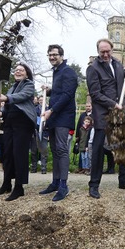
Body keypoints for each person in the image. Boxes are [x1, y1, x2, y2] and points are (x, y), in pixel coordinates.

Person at [85, 38, 125, 199]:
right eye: (102, 51)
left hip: (120, 112)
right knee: (99, 149)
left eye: (108, 51)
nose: (105, 54)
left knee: (124, 146)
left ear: (112, 49)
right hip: (103, 114)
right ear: (98, 51)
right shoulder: (93, 69)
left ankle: (124, 181)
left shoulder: (117, 64)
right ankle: (94, 185)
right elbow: (95, 94)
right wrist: (112, 104)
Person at [39, 45, 78, 202]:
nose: (52, 57)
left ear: (62, 55)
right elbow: (59, 92)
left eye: (54, 54)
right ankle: (55, 182)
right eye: (49, 55)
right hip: (54, 117)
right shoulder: (57, 72)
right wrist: (49, 91)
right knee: (54, 151)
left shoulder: (68, 71)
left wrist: (51, 110)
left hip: (63, 117)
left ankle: (63, 186)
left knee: (62, 150)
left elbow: (68, 94)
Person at [0, 63, 37, 201]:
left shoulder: (29, 85)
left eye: (21, 70)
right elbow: (7, 104)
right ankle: (6, 184)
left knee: (19, 154)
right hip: (9, 122)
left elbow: (22, 96)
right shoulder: (12, 87)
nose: (18, 72)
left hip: (23, 123)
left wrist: (6, 98)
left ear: (26, 73)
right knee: (8, 154)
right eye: (16, 70)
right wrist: (0, 112)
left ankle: (19, 187)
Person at [30, 95, 48, 174]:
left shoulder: (48, 109)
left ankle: (43, 168)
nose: (41, 101)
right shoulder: (35, 109)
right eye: (40, 100)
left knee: (43, 151)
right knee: (34, 151)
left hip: (45, 132)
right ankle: (34, 167)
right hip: (36, 131)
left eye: (42, 100)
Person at [74, 101, 92, 172]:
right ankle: (81, 167)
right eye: (87, 106)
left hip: (89, 137)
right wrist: (77, 136)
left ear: (91, 107)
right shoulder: (82, 115)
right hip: (82, 137)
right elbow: (78, 125)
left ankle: (87, 167)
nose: (88, 107)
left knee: (87, 154)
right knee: (81, 153)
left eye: (89, 106)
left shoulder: (93, 115)